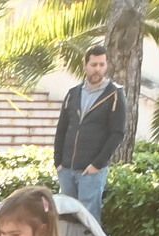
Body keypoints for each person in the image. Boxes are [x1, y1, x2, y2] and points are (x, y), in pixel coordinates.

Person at [52, 45, 125, 225]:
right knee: (66, 219)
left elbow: (117, 133)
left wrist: (97, 165)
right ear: (85, 66)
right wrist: (58, 161)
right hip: (67, 169)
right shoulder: (73, 94)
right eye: (93, 64)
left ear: (106, 66)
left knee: (88, 221)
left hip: (91, 171)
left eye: (101, 64)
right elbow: (62, 128)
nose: (97, 69)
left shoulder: (115, 94)